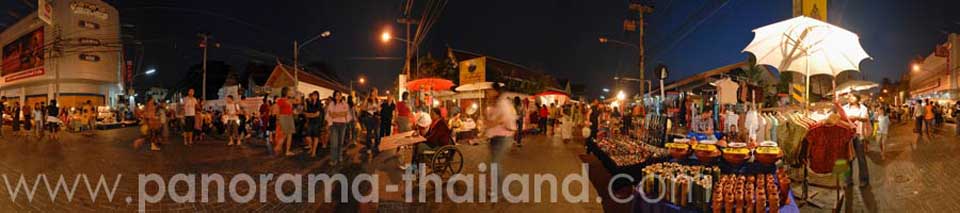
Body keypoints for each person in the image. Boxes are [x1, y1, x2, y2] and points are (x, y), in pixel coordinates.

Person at [484, 85, 518, 200]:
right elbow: (490, 119)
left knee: (495, 164)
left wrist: (490, 123)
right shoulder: (494, 103)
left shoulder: (503, 102)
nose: (488, 92)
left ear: (496, 91)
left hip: (503, 137)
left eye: (490, 90)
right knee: (494, 164)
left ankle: (498, 191)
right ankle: (499, 189)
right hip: (495, 137)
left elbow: (502, 119)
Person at [842, 94, 870, 187]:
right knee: (847, 158)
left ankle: (864, 179)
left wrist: (856, 118)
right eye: (849, 97)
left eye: (852, 96)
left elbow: (866, 119)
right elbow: (840, 117)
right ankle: (848, 180)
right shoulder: (844, 108)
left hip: (858, 135)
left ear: (858, 98)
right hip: (847, 135)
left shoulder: (863, 108)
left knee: (861, 158)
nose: (850, 98)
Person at [326, 90, 352, 166]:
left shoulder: (345, 104)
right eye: (336, 95)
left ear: (341, 96)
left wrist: (336, 114)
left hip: (343, 124)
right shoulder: (331, 104)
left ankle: (339, 156)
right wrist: (340, 114)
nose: (338, 96)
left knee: (340, 142)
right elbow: (331, 115)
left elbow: (345, 113)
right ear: (334, 96)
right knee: (334, 143)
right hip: (334, 125)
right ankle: (333, 159)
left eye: (339, 95)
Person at [360, 89, 382, 158]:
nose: (376, 93)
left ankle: (376, 145)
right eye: (375, 92)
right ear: (371, 92)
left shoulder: (377, 100)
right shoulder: (368, 99)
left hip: (376, 118)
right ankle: (369, 147)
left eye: (377, 92)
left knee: (377, 133)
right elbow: (362, 108)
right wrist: (369, 108)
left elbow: (379, 109)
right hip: (369, 118)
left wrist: (378, 108)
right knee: (369, 133)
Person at [277, 87, 296, 156]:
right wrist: (278, 119)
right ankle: (284, 149)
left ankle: (281, 148)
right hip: (284, 117)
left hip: (289, 117)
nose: (291, 91)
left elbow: (298, 101)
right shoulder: (281, 100)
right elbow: (278, 110)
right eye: (289, 90)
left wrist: (295, 94)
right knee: (287, 134)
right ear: (286, 92)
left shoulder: (289, 100)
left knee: (287, 134)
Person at [304, 91, 324, 157]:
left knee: (315, 137)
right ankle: (311, 147)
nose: (314, 96)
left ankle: (314, 151)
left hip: (317, 122)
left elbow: (317, 114)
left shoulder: (319, 104)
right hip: (311, 122)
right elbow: (306, 114)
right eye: (313, 95)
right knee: (308, 136)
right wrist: (311, 115)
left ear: (318, 96)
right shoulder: (310, 103)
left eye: (316, 95)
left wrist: (311, 115)